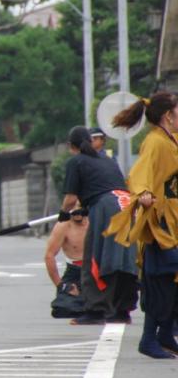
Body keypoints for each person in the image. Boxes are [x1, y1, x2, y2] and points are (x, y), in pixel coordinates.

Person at [106, 97, 178, 358]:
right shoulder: (155, 142)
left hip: (173, 218)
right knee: (162, 279)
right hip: (160, 221)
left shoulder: (170, 140)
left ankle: (166, 334)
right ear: (168, 115)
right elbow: (141, 172)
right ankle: (150, 338)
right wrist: (145, 192)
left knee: (169, 279)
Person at [60, 126, 138, 327]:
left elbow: (70, 199)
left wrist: (63, 214)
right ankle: (122, 310)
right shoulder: (108, 160)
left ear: (71, 146)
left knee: (95, 258)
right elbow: (109, 187)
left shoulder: (76, 161)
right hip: (126, 205)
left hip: (105, 208)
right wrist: (87, 207)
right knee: (124, 259)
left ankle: (96, 310)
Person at [44, 206, 88, 319]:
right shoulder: (63, 225)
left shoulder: (98, 220)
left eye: (79, 205)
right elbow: (49, 256)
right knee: (63, 308)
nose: (76, 209)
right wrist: (61, 285)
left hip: (98, 272)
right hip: (75, 272)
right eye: (73, 207)